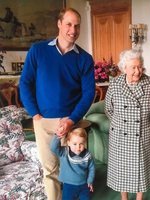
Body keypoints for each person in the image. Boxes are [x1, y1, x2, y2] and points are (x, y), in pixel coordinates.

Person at [19, 7, 95, 200]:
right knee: (50, 170)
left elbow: (88, 94)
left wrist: (71, 120)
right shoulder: (38, 50)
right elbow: (25, 83)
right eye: (69, 24)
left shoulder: (85, 58)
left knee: (74, 168)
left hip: (71, 122)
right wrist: (35, 114)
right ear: (59, 24)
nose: (73, 30)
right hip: (43, 121)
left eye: (77, 26)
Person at [105, 49, 150, 200]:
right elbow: (108, 109)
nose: (137, 71)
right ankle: (124, 197)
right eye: (133, 67)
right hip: (120, 135)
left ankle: (139, 197)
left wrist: (145, 124)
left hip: (143, 134)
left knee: (141, 168)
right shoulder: (115, 83)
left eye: (140, 66)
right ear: (124, 68)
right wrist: (119, 125)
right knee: (122, 169)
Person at [50, 127, 95, 200]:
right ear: (68, 142)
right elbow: (53, 147)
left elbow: (91, 168)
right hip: (68, 185)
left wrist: (90, 180)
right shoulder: (64, 152)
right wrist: (57, 135)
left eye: (81, 144)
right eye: (74, 144)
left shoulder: (88, 155)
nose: (78, 147)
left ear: (85, 143)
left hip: (84, 184)